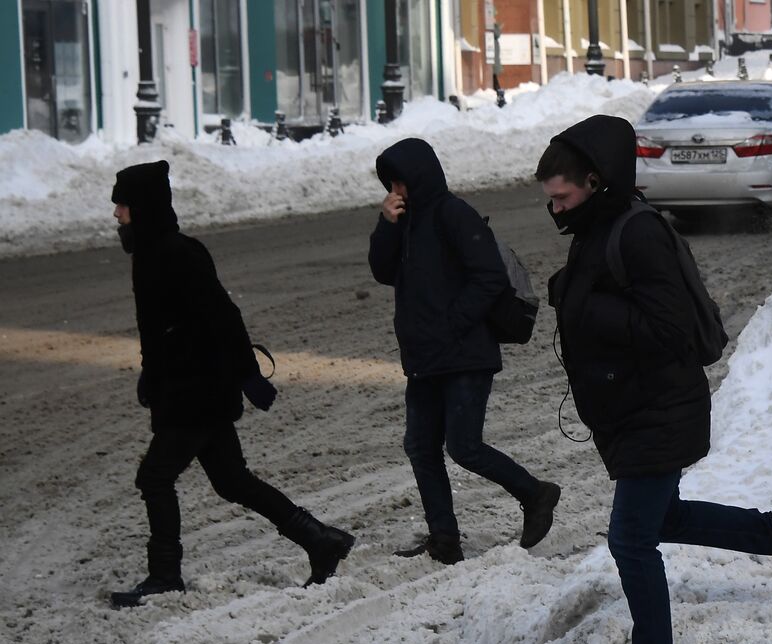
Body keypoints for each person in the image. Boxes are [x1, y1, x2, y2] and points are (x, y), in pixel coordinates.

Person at [535, 115, 772, 644]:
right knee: (664, 518)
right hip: (633, 410)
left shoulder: (638, 231)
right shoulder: (600, 226)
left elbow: (671, 330)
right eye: (551, 200)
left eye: (562, 197)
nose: (556, 210)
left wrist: (586, 305)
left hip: (658, 410)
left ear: (594, 181)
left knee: (630, 540)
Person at [109, 160, 354, 608]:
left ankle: (165, 574)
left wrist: (247, 374)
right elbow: (167, 328)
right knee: (232, 481)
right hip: (187, 388)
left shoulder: (177, 254)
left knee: (155, 477)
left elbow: (223, 317)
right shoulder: (150, 254)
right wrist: (152, 370)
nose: (116, 214)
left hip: (197, 393)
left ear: (141, 207)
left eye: (122, 205)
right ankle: (320, 540)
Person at [369, 137, 562, 564]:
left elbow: (489, 278)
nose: (395, 191)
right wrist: (387, 225)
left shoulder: (453, 214)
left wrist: (452, 325)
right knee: (420, 447)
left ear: (417, 176)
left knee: (464, 446)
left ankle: (535, 494)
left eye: (399, 182)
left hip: (464, 354)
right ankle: (445, 540)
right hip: (425, 358)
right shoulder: (405, 222)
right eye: (390, 184)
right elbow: (383, 272)